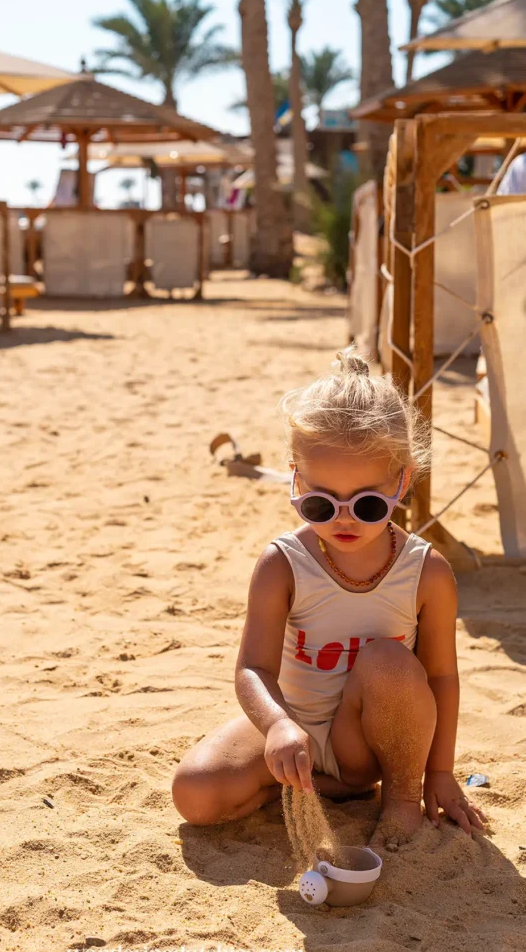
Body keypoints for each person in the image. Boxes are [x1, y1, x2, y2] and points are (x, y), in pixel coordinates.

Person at [171, 348, 487, 848]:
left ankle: (397, 798)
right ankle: (311, 786)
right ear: (295, 477)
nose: (344, 519)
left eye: (366, 504)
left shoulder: (426, 572)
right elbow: (253, 669)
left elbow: (442, 678)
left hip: (363, 742)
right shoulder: (283, 564)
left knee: (386, 660)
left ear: (402, 480)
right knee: (196, 794)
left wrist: (441, 773)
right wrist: (276, 725)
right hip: (294, 727)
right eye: (319, 502)